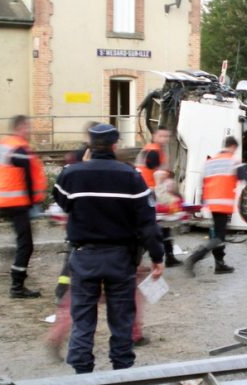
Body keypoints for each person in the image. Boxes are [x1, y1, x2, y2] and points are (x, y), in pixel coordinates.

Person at [53, 123, 164, 373]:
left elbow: (63, 203)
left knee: (83, 320)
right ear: (115, 146)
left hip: (84, 257)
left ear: (90, 146)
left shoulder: (71, 175)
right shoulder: (131, 176)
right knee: (122, 320)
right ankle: (122, 372)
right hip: (120, 259)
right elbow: (148, 224)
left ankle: (82, 375)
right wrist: (158, 257)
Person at [184, 136, 247, 277]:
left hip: (212, 204)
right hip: (223, 204)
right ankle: (194, 258)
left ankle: (220, 264)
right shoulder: (233, 161)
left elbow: (202, 182)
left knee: (219, 234)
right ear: (234, 147)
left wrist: (202, 201)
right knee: (219, 237)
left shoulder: (210, 162)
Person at [0, 115, 48, 299]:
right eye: (28, 127)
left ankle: (16, 278)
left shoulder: (6, 143)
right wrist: (33, 202)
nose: (30, 130)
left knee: (23, 240)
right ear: (20, 127)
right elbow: (28, 177)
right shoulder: (19, 148)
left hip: (6, 201)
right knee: (26, 245)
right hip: (17, 202)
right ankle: (17, 286)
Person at [134, 127, 182, 267]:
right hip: (152, 193)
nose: (165, 139)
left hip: (145, 192)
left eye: (167, 136)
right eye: (162, 136)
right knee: (159, 226)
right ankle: (164, 257)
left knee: (161, 226)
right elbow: (157, 174)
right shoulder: (154, 151)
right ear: (154, 136)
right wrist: (169, 189)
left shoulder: (147, 149)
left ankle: (169, 256)